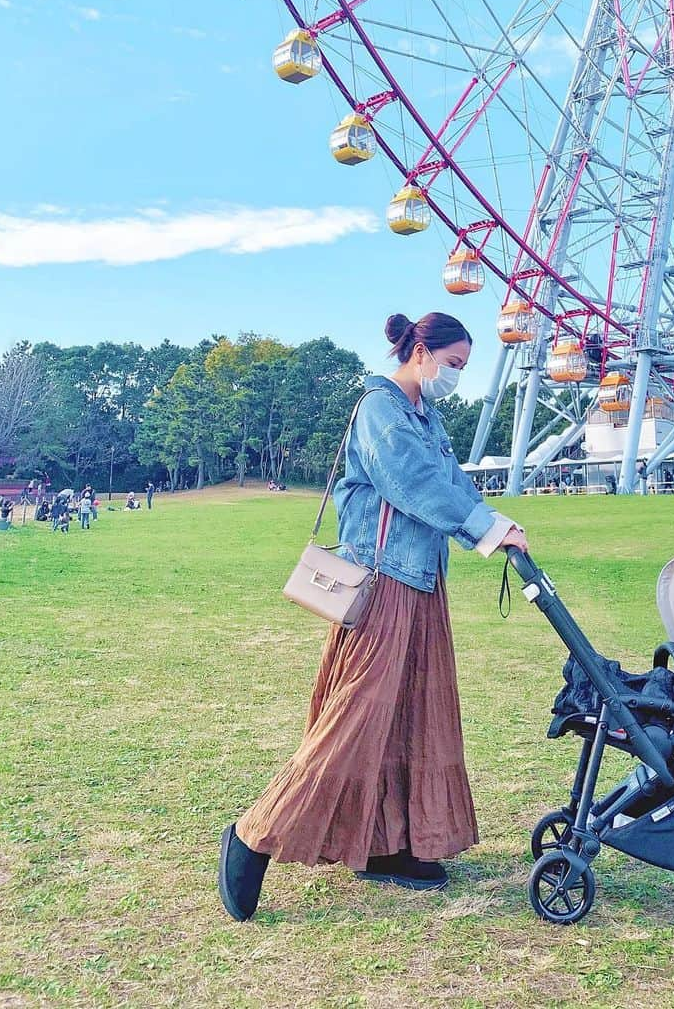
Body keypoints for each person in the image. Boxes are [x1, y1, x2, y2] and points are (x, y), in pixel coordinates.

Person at [219, 311, 529, 921]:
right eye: (454, 364)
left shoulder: (426, 416)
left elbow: (451, 481)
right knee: (358, 716)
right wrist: (481, 529)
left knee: (415, 715)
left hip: (421, 583)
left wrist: (499, 524)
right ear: (421, 350)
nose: (456, 377)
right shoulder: (379, 410)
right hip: (384, 581)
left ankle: (388, 844)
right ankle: (254, 834)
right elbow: (413, 483)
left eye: (463, 368)